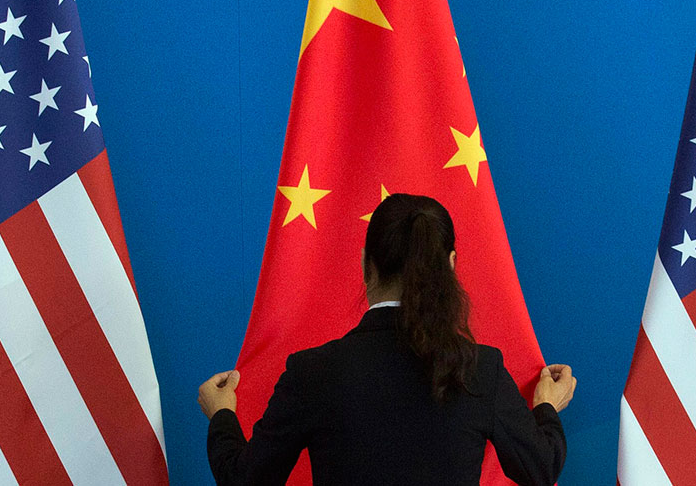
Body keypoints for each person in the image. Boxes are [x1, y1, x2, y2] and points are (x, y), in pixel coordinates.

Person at [200, 193, 574, 485]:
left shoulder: (311, 372)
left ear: (366, 264)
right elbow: (541, 469)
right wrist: (546, 407)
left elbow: (244, 480)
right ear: (451, 266)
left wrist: (221, 414)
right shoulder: (481, 368)